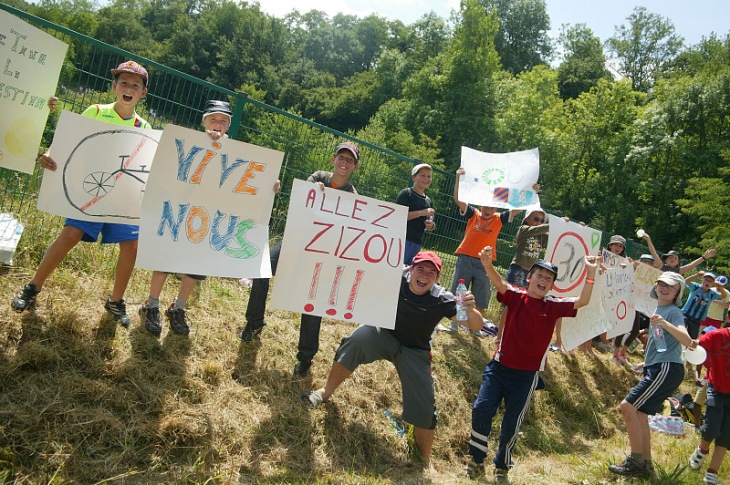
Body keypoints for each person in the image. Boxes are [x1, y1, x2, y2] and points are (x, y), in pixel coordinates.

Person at [300, 251, 485, 470]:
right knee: (354, 340)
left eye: (431, 272)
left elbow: (476, 326)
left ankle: (424, 463)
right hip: (383, 334)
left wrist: (471, 310)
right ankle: (324, 392)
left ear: (437, 278)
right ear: (411, 270)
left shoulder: (441, 298)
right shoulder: (394, 276)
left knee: (425, 407)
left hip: (414, 351)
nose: (424, 275)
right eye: (420, 269)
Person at [11, 61, 151, 327]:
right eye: (123, 83)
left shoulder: (145, 127)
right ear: (114, 86)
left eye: (135, 85)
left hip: (123, 197)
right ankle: (33, 286)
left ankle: (115, 301)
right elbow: (66, 138)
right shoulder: (94, 110)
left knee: (132, 246)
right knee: (70, 234)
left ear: (143, 93)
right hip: (91, 191)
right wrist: (50, 154)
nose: (128, 88)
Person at [138, 100, 280, 336]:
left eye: (223, 121)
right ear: (204, 121)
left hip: (205, 220)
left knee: (194, 265)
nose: (218, 124)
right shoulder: (186, 141)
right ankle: (151, 304)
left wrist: (269, 185)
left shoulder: (236, 153)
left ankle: (178, 307)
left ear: (228, 126)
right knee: (164, 259)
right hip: (177, 212)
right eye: (214, 119)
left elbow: (248, 182)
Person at [466, 246, 599, 482]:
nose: (544, 281)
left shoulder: (553, 305)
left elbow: (584, 300)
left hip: (526, 377)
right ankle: (476, 460)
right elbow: (500, 285)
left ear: (551, 285)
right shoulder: (517, 297)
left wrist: (591, 272)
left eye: (549, 279)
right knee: (481, 409)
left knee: (511, 423)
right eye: (539, 275)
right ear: (529, 278)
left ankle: (502, 466)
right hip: (498, 369)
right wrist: (487, 265)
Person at [239, 141, 360, 377]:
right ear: (333, 159)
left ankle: (305, 358)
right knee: (261, 269)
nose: (344, 163)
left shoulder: (353, 196)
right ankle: (253, 323)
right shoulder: (318, 177)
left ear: (355, 166)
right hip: (296, 242)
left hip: (321, 254)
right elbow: (304, 195)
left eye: (349, 160)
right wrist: (314, 191)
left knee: (312, 300)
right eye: (341, 158)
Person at [608, 271, 691, 478]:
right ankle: (646, 465)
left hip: (667, 369)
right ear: (655, 286)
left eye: (670, 287)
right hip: (659, 367)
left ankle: (636, 461)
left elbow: (688, 340)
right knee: (640, 413)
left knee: (627, 407)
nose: (664, 288)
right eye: (661, 284)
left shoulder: (672, 312)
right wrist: (647, 363)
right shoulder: (660, 309)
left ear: (677, 293)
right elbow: (663, 345)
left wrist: (665, 323)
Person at [447, 167, 519, 331]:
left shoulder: (499, 219)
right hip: (465, 257)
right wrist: (458, 178)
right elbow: (458, 199)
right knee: (460, 292)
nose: (488, 210)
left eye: (492, 208)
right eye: (486, 207)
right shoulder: (473, 214)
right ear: (481, 205)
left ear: (497, 209)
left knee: (481, 297)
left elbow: (518, 209)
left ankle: (475, 327)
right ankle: (455, 324)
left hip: (485, 263)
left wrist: (531, 192)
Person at [688, 323, 730, 485]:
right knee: (712, 427)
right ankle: (702, 450)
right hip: (717, 390)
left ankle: (712, 471)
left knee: (726, 436)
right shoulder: (717, 336)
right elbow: (697, 344)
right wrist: (692, 344)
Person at [396, 163, 435, 265]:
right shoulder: (406, 194)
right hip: (400, 240)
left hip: (416, 243)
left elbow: (429, 223)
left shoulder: (428, 201)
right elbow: (398, 217)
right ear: (414, 177)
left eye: (429, 176)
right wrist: (421, 213)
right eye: (422, 175)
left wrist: (431, 226)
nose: (426, 178)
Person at [641, 231, 717, 274]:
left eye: (675, 258)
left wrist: (704, 257)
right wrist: (649, 240)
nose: (672, 259)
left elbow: (691, 265)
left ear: (678, 262)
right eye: (670, 257)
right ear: (666, 259)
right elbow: (654, 253)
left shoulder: (678, 271)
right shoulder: (661, 266)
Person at [682, 271, 722, 339]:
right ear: (701, 280)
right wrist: (697, 275)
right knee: (679, 329)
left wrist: (720, 287)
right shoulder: (696, 287)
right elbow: (686, 281)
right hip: (685, 314)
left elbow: (722, 296)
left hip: (697, 319)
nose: (707, 282)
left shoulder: (712, 294)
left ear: (712, 284)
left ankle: (687, 348)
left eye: (710, 281)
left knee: (692, 338)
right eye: (706, 280)